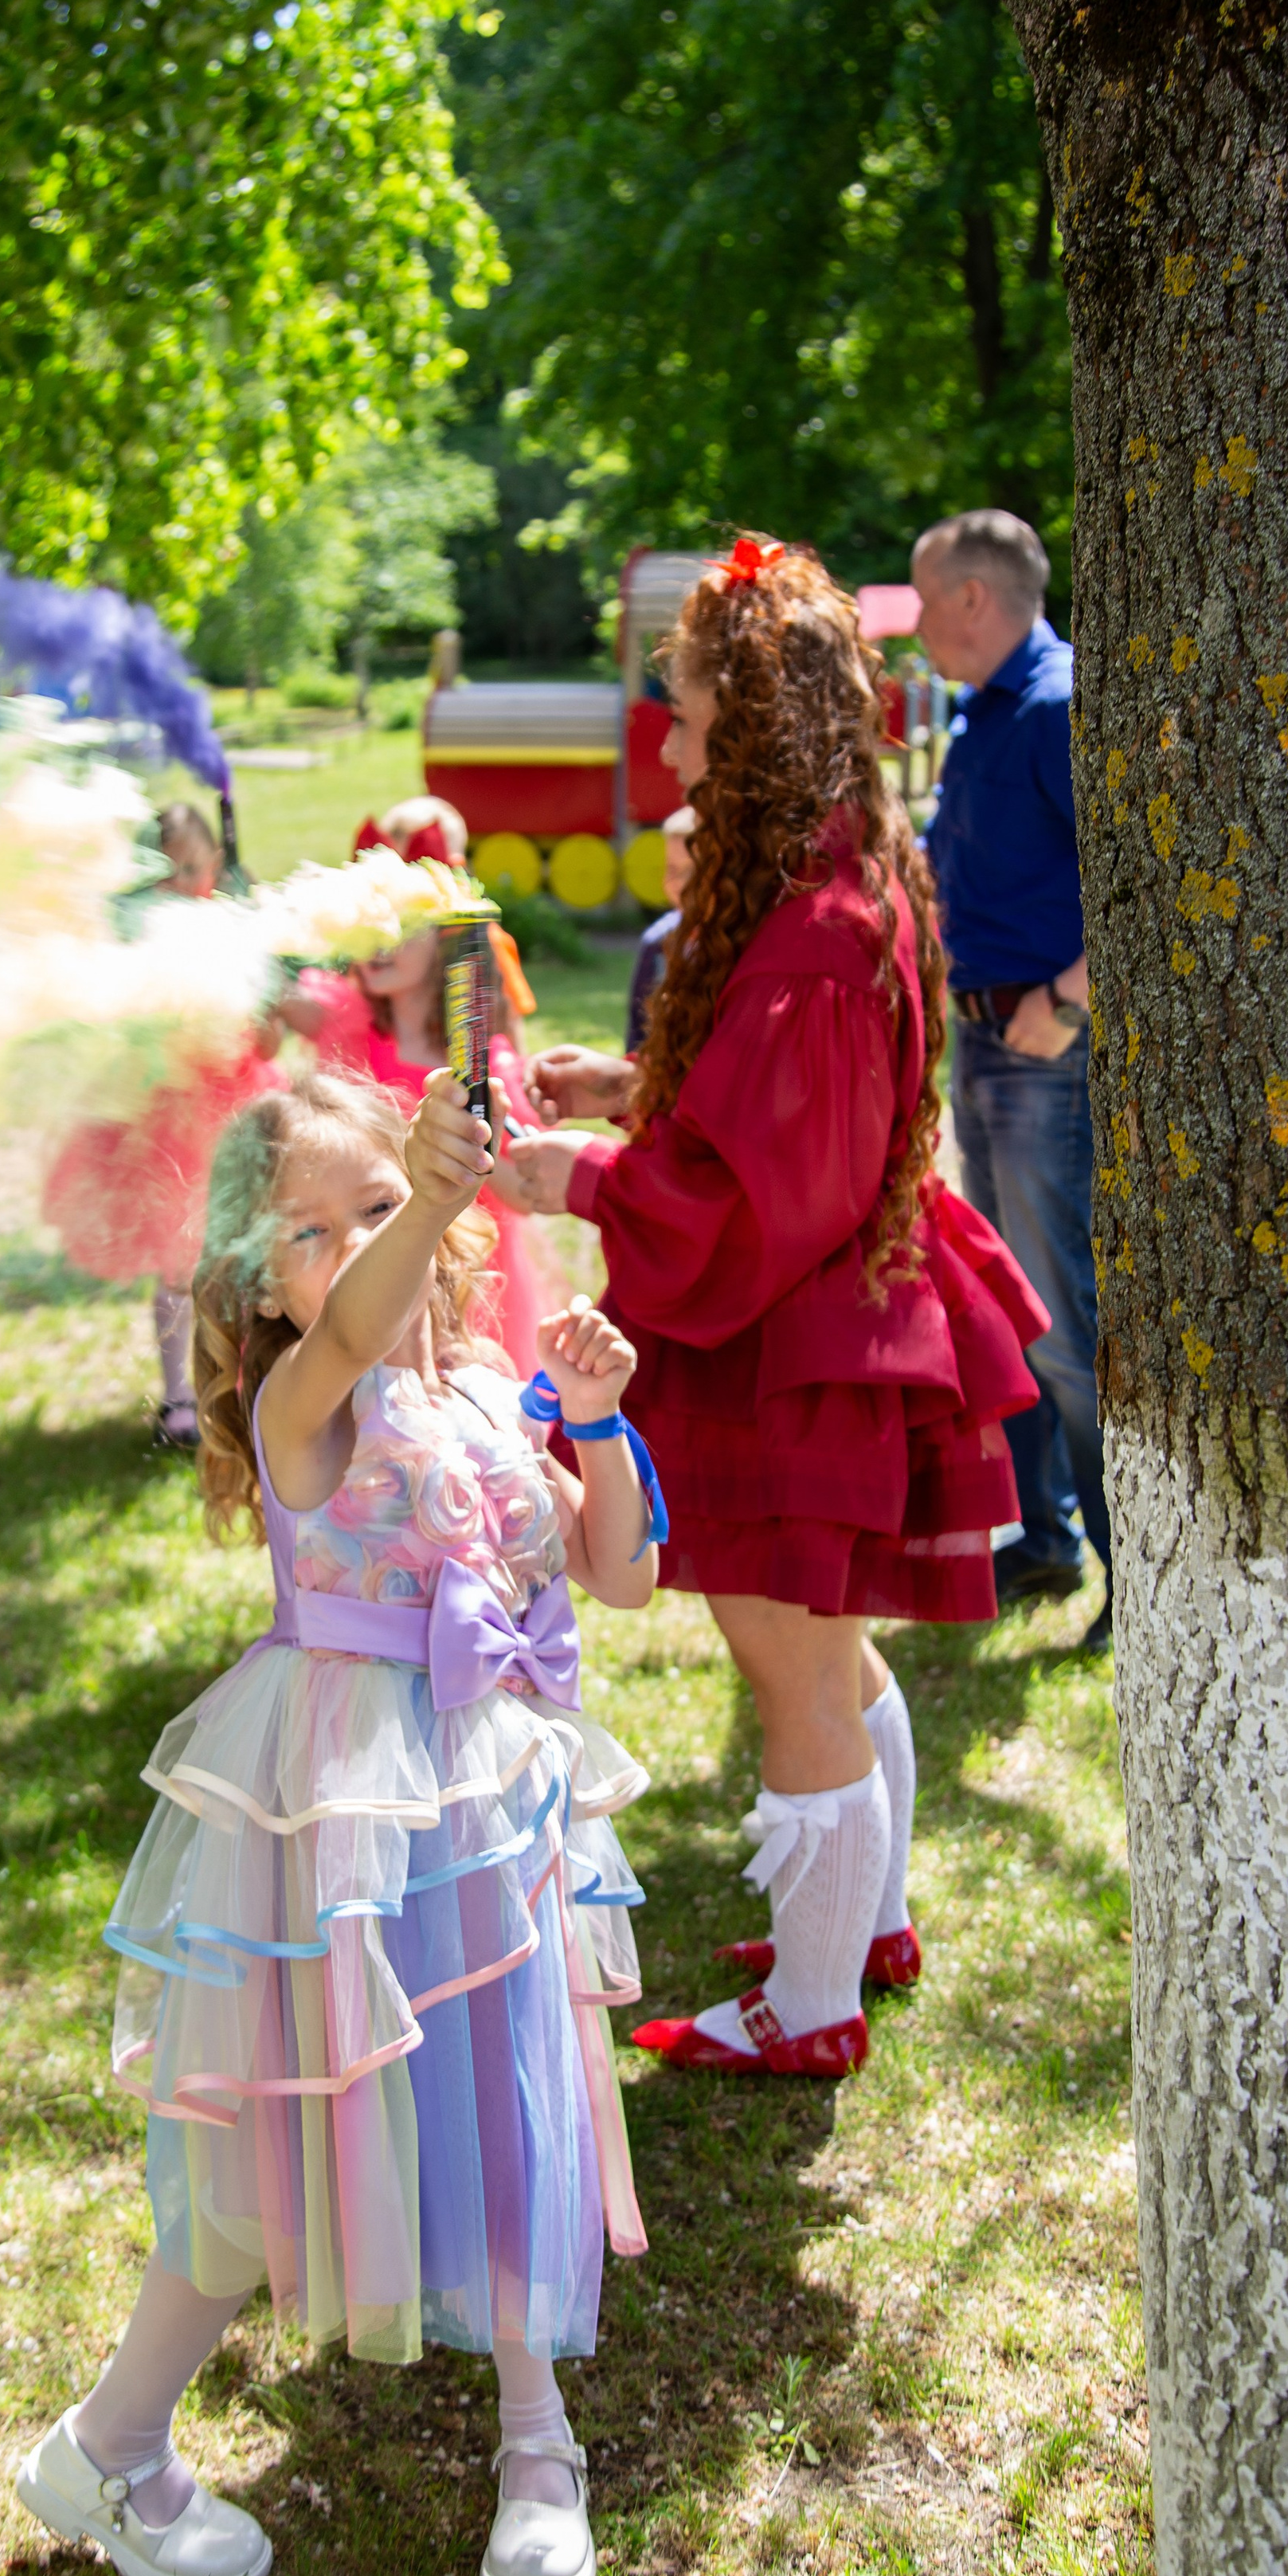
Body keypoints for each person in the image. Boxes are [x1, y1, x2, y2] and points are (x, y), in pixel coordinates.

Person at [13, 1068, 655, 2576]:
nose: (354, 1246)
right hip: (343, 1816)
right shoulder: (301, 1397)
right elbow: (361, 1326)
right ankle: (109, 2440)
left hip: (491, 1803)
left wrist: (614, 1427)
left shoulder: (501, 1397)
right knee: (282, 2144)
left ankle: (537, 2440)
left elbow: (616, 1576)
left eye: (379, 1206)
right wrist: (433, 1187)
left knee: (508, 2105)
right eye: (311, 1233)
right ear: (261, 1282)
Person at [503, 538, 1046, 2076]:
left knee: (794, 1670)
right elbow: (782, 1111)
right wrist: (640, 1089)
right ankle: (854, 1924)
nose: (663, 745)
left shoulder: (814, 924)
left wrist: (588, 1179)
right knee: (838, 1656)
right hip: (830, 1319)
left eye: (680, 718)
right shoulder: (839, 874)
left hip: (793, 1348)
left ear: (745, 729)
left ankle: (809, 2016)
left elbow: (760, 1197)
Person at [912, 508, 1108, 1647]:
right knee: (1006, 1306)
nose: (921, 624)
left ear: (975, 598)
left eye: (928, 600)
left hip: (1046, 1045)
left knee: (1061, 1314)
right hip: (984, 1040)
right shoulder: (983, 714)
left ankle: (1133, 1578)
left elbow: (1142, 874)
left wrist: (1068, 1001)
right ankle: (1043, 1538)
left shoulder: (1061, 705)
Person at [41, 802, 290, 1447]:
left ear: (214, 864)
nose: (180, 884)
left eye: (191, 867)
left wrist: (257, 1003)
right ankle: (179, 1398)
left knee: (246, 1252)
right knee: (178, 1259)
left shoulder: (236, 932)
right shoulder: (139, 946)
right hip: (170, 1120)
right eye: (164, 873)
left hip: (234, 1109)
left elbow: (267, 1042)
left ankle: (249, 1382)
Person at [303, 801, 555, 1374]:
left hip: (470, 1276)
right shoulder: (344, 1036)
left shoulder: (478, 1061)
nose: (380, 941)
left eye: (403, 926)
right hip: (367, 1268)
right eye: (368, 925)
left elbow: (517, 1192)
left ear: (444, 939)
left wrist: (490, 1147)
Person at [626, 806, 696, 1052]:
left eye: (691, 870)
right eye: (671, 869)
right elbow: (637, 1027)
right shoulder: (656, 942)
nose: (678, 883)